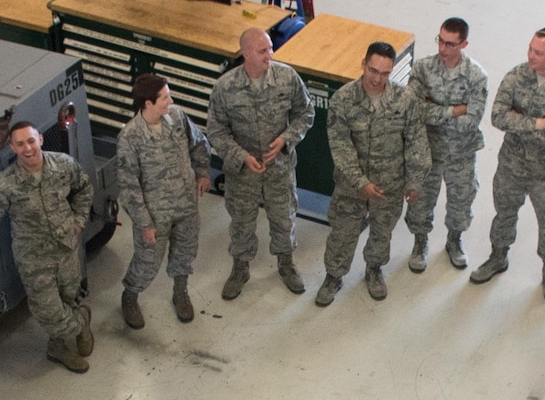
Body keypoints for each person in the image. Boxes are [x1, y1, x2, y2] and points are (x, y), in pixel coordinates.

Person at [0, 121, 96, 373]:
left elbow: (84, 188)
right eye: (20, 144)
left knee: (68, 296)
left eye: (30, 141)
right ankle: (80, 323)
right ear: (12, 147)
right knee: (47, 309)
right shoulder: (4, 183)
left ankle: (57, 346)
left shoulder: (63, 164)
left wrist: (79, 220)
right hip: (33, 257)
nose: (27, 148)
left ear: (40, 139)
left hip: (66, 248)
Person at [471, 26, 545, 304]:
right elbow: (497, 116)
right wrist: (538, 122)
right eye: (531, 49)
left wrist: (518, 119)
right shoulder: (516, 75)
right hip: (511, 165)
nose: (531, 56)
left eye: (539, 52)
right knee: (504, 214)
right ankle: (498, 257)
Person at [207, 27, 316, 299]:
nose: (270, 55)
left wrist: (286, 139)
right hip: (243, 174)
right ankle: (240, 268)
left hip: (279, 169)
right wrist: (240, 155)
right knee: (242, 222)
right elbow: (216, 131)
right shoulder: (226, 88)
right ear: (245, 53)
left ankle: (286, 264)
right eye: (263, 50)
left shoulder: (286, 78)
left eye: (270, 48)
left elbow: (305, 113)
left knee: (284, 219)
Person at [318, 43, 428, 307]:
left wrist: (414, 180)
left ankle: (374, 269)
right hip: (351, 186)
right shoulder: (343, 100)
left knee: (382, 232)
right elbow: (340, 146)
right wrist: (360, 182)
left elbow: (416, 141)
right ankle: (334, 275)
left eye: (385, 73)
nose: (378, 79)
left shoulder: (405, 99)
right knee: (343, 232)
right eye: (373, 70)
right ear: (363, 64)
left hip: (390, 184)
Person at [116, 73, 212, 330]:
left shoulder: (177, 118)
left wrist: (203, 172)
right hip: (154, 215)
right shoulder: (130, 138)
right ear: (147, 103)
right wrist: (144, 223)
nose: (170, 100)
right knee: (148, 262)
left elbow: (199, 142)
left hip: (186, 206)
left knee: (185, 254)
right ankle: (130, 295)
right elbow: (129, 186)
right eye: (165, 97)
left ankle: (180, 293)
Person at [405, 16, 489, 270]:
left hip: (460, 152)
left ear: (464, 44)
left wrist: (435, 109)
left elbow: (471, 121)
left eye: (451, 44)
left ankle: (454, 240)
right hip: (427, 150)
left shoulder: (476, 76)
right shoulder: (422, 69)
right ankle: (420, 242)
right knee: (420, 201)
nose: (443, 48)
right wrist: (455, 110)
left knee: (461, 201)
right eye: (440, 41)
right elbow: (413, 110)